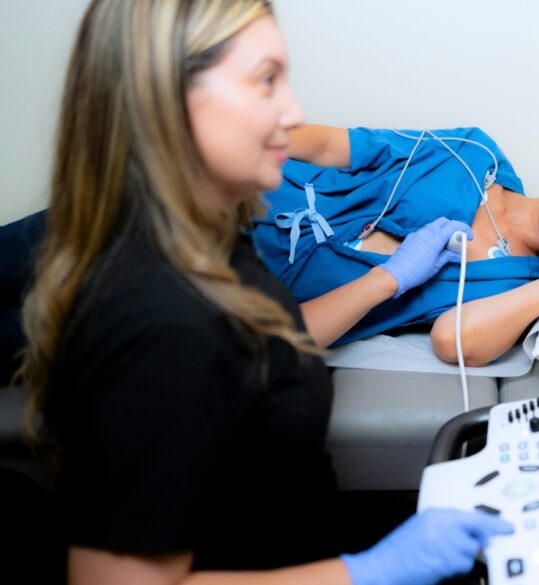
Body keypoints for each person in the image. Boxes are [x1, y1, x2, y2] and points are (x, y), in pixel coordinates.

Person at [19, 1, 510, 584]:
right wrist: (369, 573)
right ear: (169, 100)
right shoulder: (159, 321)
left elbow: (271, 345)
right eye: (265, 80)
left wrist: (392, 277)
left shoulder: (215, 243)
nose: (293, 112)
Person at [258, 124, 539, 365]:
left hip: (256, 290)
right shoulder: (475, 153)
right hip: (250, 191)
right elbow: (332, 146)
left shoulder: (515, 286)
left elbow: (453, 340)